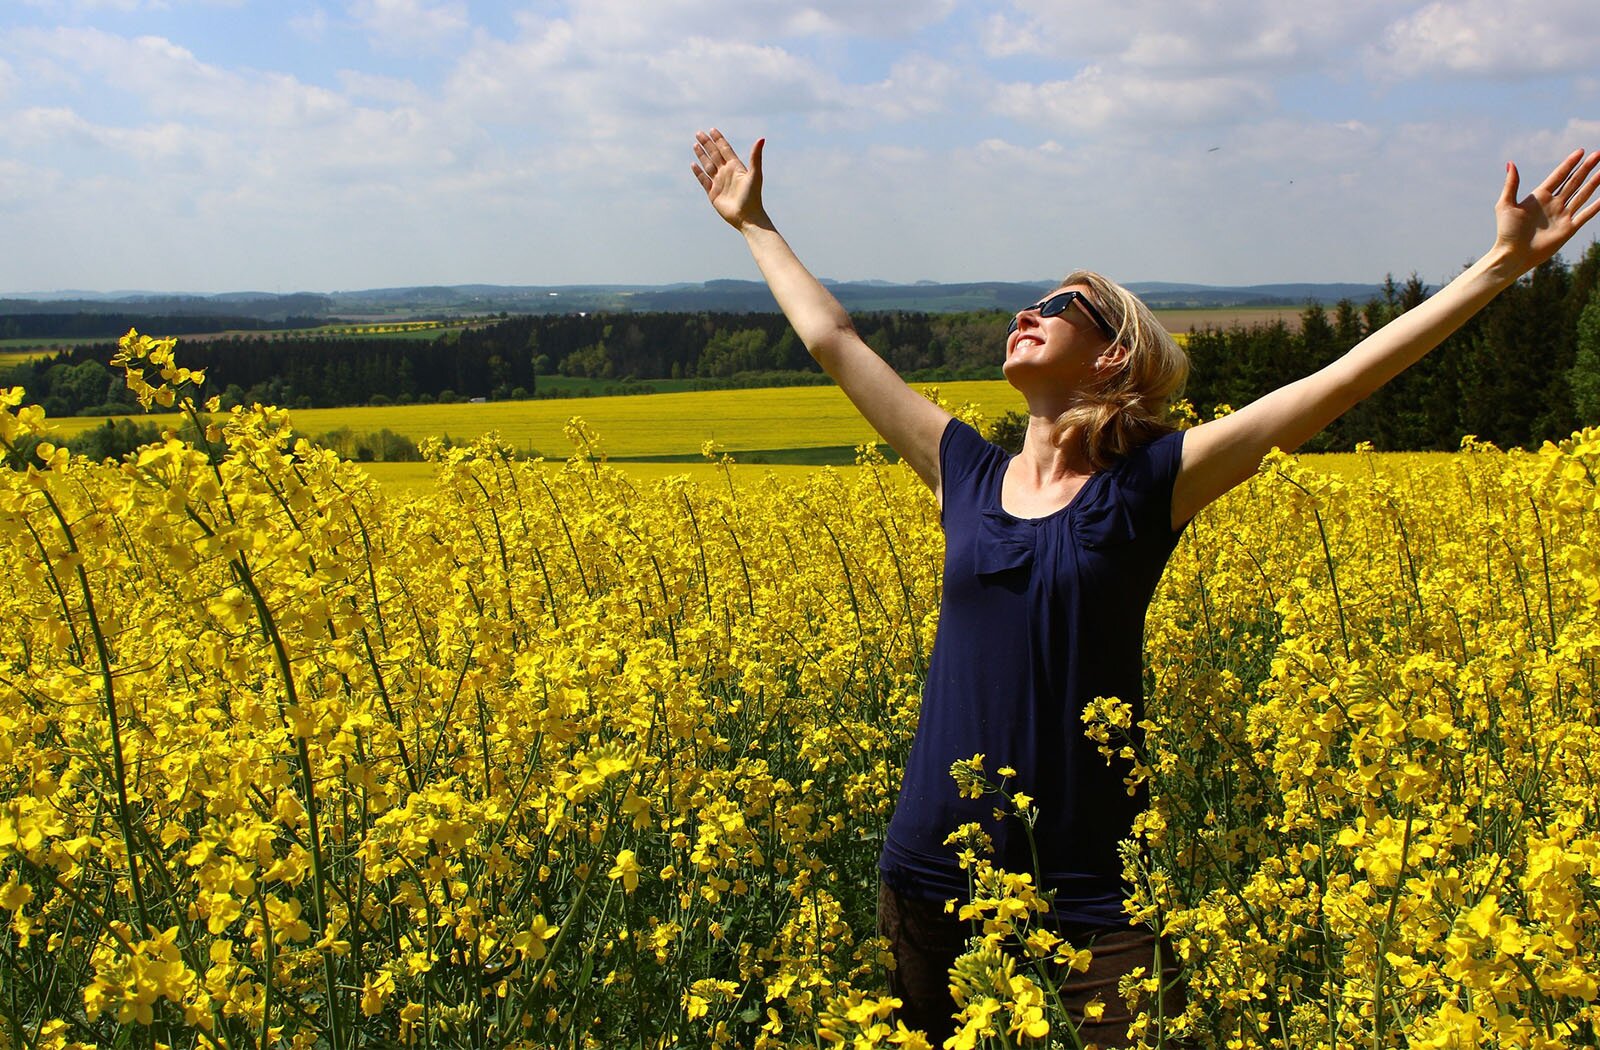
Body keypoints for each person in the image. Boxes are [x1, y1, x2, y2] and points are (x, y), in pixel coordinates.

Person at [690, 126, 1600, 1045]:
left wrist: (1498, 267)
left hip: (1093, 891)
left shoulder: (1148, 485)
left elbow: (1334, 385)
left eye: (1062, 305)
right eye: (1028, 302)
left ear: (1114, 356)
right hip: (933, 874)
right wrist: (754, 222)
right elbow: (834, 338)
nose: (1028, 311)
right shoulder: (961, 470)